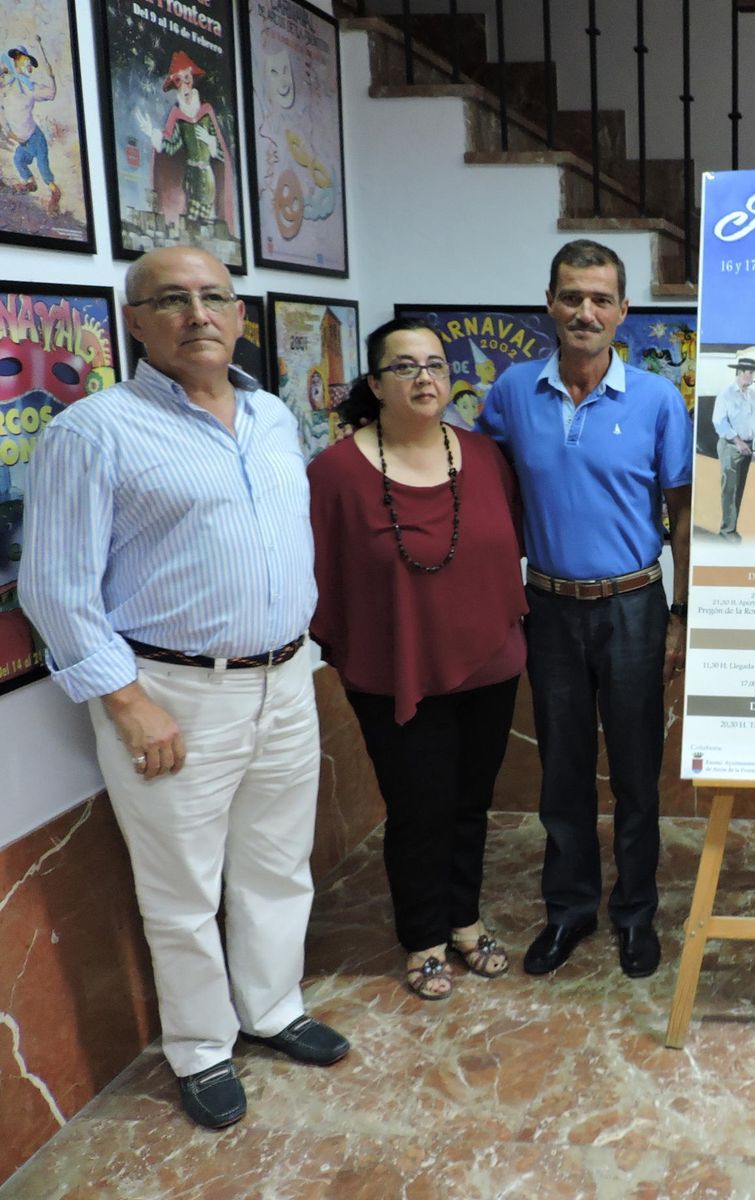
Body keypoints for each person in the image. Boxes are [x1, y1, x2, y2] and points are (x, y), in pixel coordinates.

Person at [18, 246, 347, 1131]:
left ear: (239, 314)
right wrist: (126, 702)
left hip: (284, 677)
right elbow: (54, 587)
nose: (197, 314)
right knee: (182, 886)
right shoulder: (93, 432)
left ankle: (273, 1009)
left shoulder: (275, 417)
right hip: (172, 693)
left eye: (213, 297)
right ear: (134, 322)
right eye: (172, 300)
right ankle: (202, 1047)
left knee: (278, 865)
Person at [479, 238, 692, 980]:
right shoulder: (510, 394)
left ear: (624, 312)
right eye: (572, 296)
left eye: (601, 298)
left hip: (634, 604)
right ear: (549, 303)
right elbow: (487, 495)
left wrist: (680, 615)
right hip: (549, 606)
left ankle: (635, 914)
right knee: (562, 772)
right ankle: (568, 910)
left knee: (636, 771)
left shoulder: (659, 401)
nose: (585, 311)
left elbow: (683, 512)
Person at [308, 318, 527, 1002]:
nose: (425, 378)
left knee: (471, 802)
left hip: (489, 664)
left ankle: (465, 919)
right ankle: (424, 937)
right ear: (374, 384)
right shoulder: (336, 472)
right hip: (394, 670)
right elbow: (319, 573)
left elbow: (508, 546)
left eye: (435, 364)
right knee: (417, 808)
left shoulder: (485, 457)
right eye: (405, 367)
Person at [136, 51, 237, 237]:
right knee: (191, 219)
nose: (185, 84)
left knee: (206, 215)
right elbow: (172, 146)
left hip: (206, 175)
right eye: (180, 80)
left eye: (187, 78)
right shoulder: (178, 117)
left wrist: (209, 141)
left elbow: (220, 154)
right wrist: (153, 133)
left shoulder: (207, 113)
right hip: (191, 176)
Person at [710, 356, 755, 541]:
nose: (752, 376)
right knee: (729, 490)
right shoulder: (726, 394)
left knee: (738, 489)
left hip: (748, 448)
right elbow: (719, 422)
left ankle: (732, 529)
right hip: (731, 447)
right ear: (740, 373)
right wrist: (738, 441)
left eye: (753, 373)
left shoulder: (754, 395)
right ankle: (727, 532)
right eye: (750, 373)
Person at [1, 42, 61, 213]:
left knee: (44, 169)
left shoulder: (30, 87)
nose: (27, 65)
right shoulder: (6, 86)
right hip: (23, 142)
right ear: (15, 60)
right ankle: (30, 183)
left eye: (28, 62)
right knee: (18, 160)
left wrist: (51, 76)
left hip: (35, 138)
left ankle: (54, 192)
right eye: (23, 60)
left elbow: (51, 93)